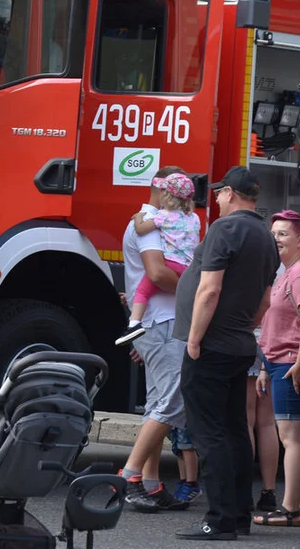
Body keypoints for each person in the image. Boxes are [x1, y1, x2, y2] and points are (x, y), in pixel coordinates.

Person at [172, 166, 279, 540]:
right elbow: (265, 300)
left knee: (208, 432)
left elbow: (209, 290)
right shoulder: (265, 236)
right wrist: (241, 325)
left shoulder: (226, 229)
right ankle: (238, 516)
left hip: (213, 344)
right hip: (239, 344)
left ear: (232, 194)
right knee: (235, 429)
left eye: (219, 193)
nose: (215, 198)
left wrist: (195, 339)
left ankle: (216, 520)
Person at [117, 166, 196, 513]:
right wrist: (199, 293)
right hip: (163, 322)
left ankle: (149, 483)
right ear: (161, 190)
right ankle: (131, 475)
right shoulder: (152, 219)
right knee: (169, 403)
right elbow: (158, 273)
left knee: (157, 404)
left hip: (156, 321)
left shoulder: (153, 217)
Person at [254, 210, 300, 527]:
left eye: (283, 234)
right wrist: (267, 367)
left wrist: (299, 363)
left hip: (290, 363)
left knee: (292, 440)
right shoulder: (290, 271)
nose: (276, 239)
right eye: (274, 234)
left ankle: (289, 510)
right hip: (280, 363)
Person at [117, 172, 201, 347]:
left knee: (142, 291)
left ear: (166, 194)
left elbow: (157, 273)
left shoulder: (162, 216)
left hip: (169, 268)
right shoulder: (194, 218)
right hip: (187, 267)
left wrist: (139, 217)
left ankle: (133, 325)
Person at [247, 324, 280, 513]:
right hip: (271, 343)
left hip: (248, 341)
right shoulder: (273, 291)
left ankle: (245, 492)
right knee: (267, 423)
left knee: (246, 421)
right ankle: (269, 492)